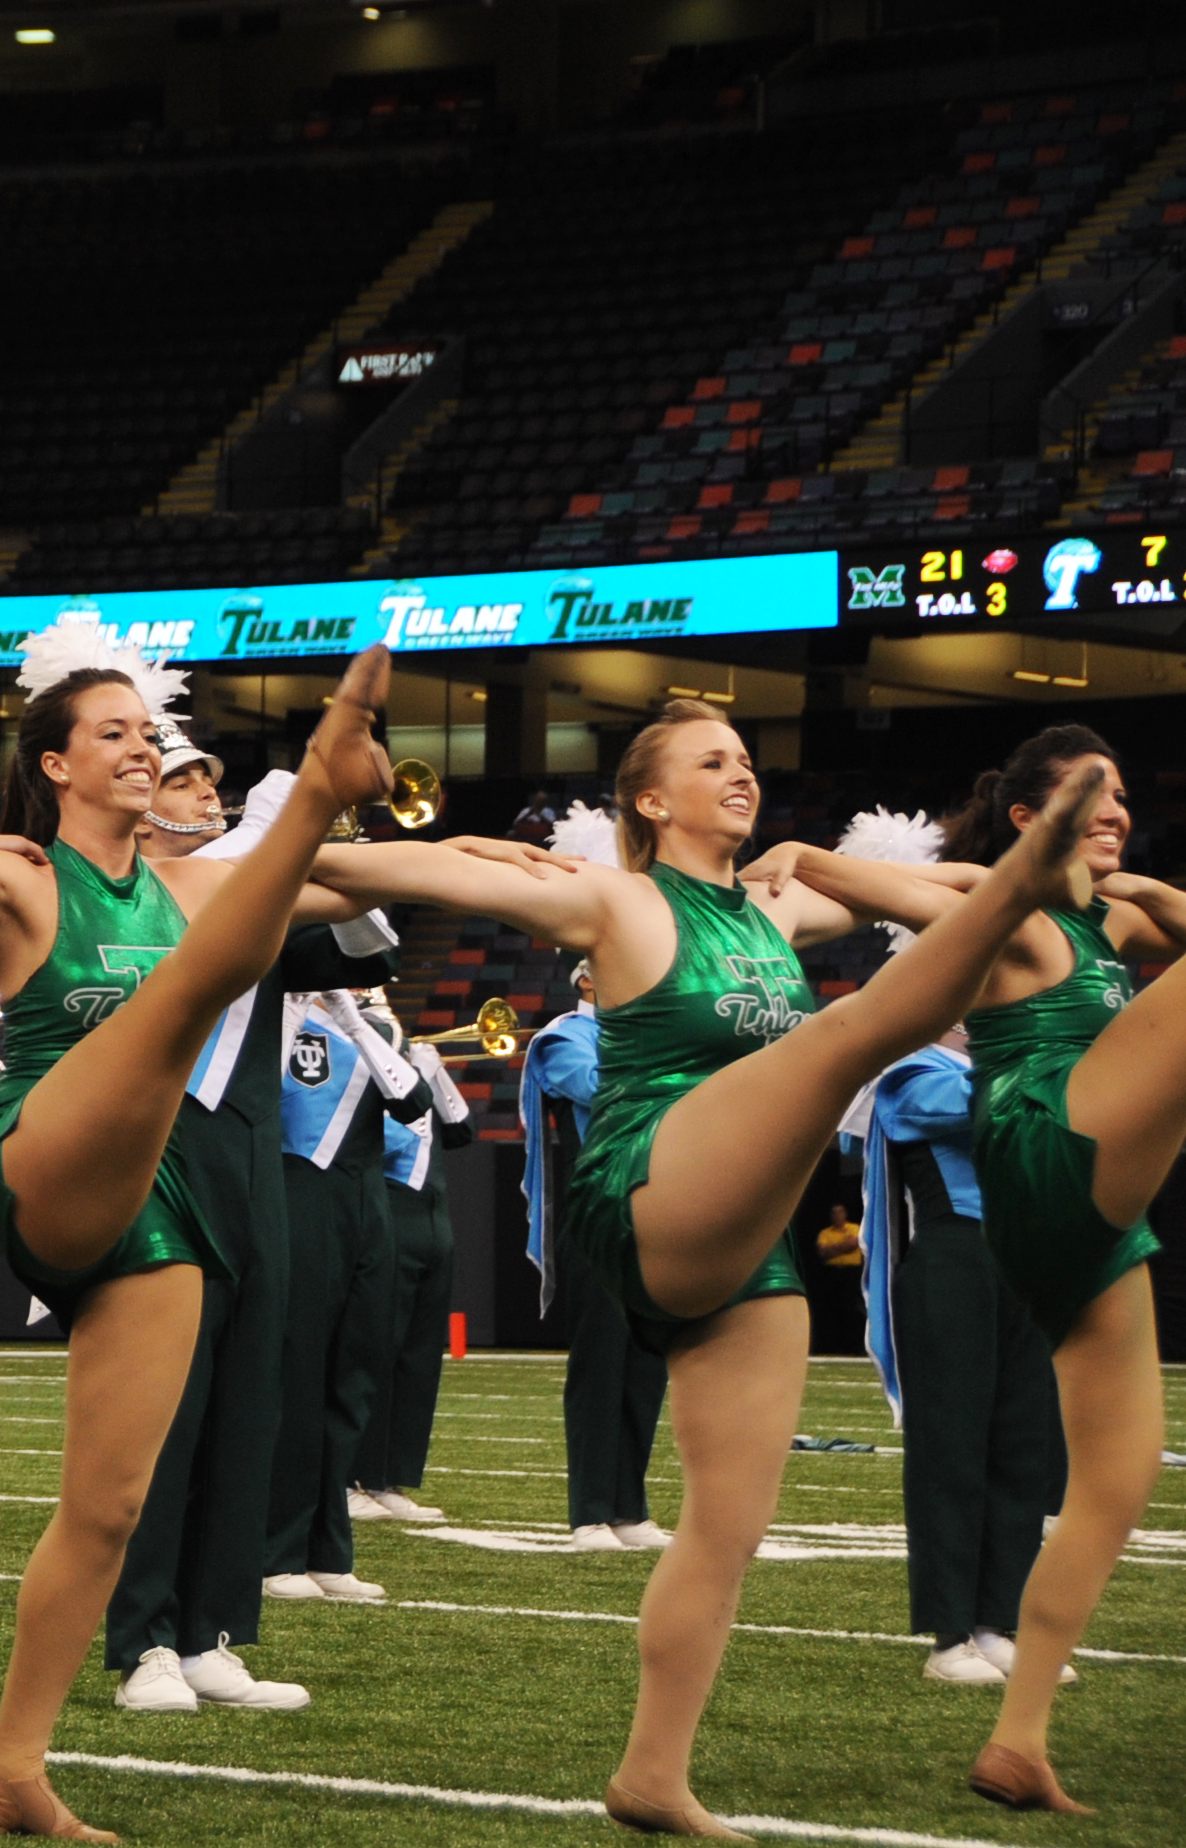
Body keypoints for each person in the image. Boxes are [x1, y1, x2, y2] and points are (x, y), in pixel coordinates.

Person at [302, 697, 1098, 1835]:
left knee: (729, 1526)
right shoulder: (613, 897)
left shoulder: (779, 909)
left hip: (747, 1235)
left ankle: (653, 1773)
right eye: (710, 761)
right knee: (847, 1035)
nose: (742, 775)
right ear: (648, 798)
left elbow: (946, 894)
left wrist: (1027, 870)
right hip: (650, 1184)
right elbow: (397, 879)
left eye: (747, 758)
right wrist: (413, 842)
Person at [0, 629, 397, 1839]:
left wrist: (602, 887)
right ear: (54, 766)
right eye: (112, 734)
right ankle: (315, 784)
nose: (141, 750)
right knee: (191, 982)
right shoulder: (20, 875)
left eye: (146, 734)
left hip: (157, 1201)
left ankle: (13, 1768)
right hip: (40, 1151)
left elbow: (419, 880)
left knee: (108, 1503)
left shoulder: (194, 886)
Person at [741, 728, 1181, 1812]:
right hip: (1041, 1145)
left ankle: (1019, 1733)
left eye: (1125, 793)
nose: (1117, 806)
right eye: (1092, 793)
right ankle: (954, 1625)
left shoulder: (1106, 919)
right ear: (1028, 816)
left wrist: (1121, 873)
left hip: (1087, 1211)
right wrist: (824, 856)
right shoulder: (1015, 916)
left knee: (1118, 1472)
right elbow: (858, 879)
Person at [107, 747, 393, 1719]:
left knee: (245, 1402)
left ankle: (212, 1632)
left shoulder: (259, 892)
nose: (204, 795)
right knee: (166, 1406)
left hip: (252, 1159)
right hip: (157, 1153)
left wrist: (308, 837)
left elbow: (364, 947)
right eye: (184, 781)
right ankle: (142, 1637)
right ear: (140, 809)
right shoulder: (123, 897)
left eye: (209, 785)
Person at [851, 1029, 1068, 1687]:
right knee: (953, 1448)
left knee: (1022, 1448)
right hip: (955, 1262)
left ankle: (997, 1623)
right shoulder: (909, 1074)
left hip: (1025, 1258)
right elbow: (989, 1106)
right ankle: (949, 1635)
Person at [265, 985, 416, 1606]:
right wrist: (296, 1011)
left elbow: (414, 1103)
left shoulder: (370, 1031)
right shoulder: (268, 1018)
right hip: (297, 1199)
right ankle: (276, 1551)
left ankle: (329, 1549)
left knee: (351, 1384)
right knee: (296, 1385)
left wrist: (355, 1023)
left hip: (367, 1209)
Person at [521, 960, 671, 1552]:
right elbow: (598, 1089)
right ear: (587, 979)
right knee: (600, 1363)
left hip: (652, 1211)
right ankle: (589, 1511)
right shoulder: (564, 1036)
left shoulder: (643, 1036)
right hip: (597, 1212)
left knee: (645, 1364)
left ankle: (630, 1506)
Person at [353, 1011, 473, 1524]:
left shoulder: (413, 1079)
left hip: (432, 1221)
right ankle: (353, 1476)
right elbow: (397, 1138)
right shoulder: (369, 1085)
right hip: (390, 1215)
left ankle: (392, 1477)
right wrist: (414, 1077)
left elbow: (461, 1127)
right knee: (374, 1352)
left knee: (418, 1358)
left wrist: (437, 1073)